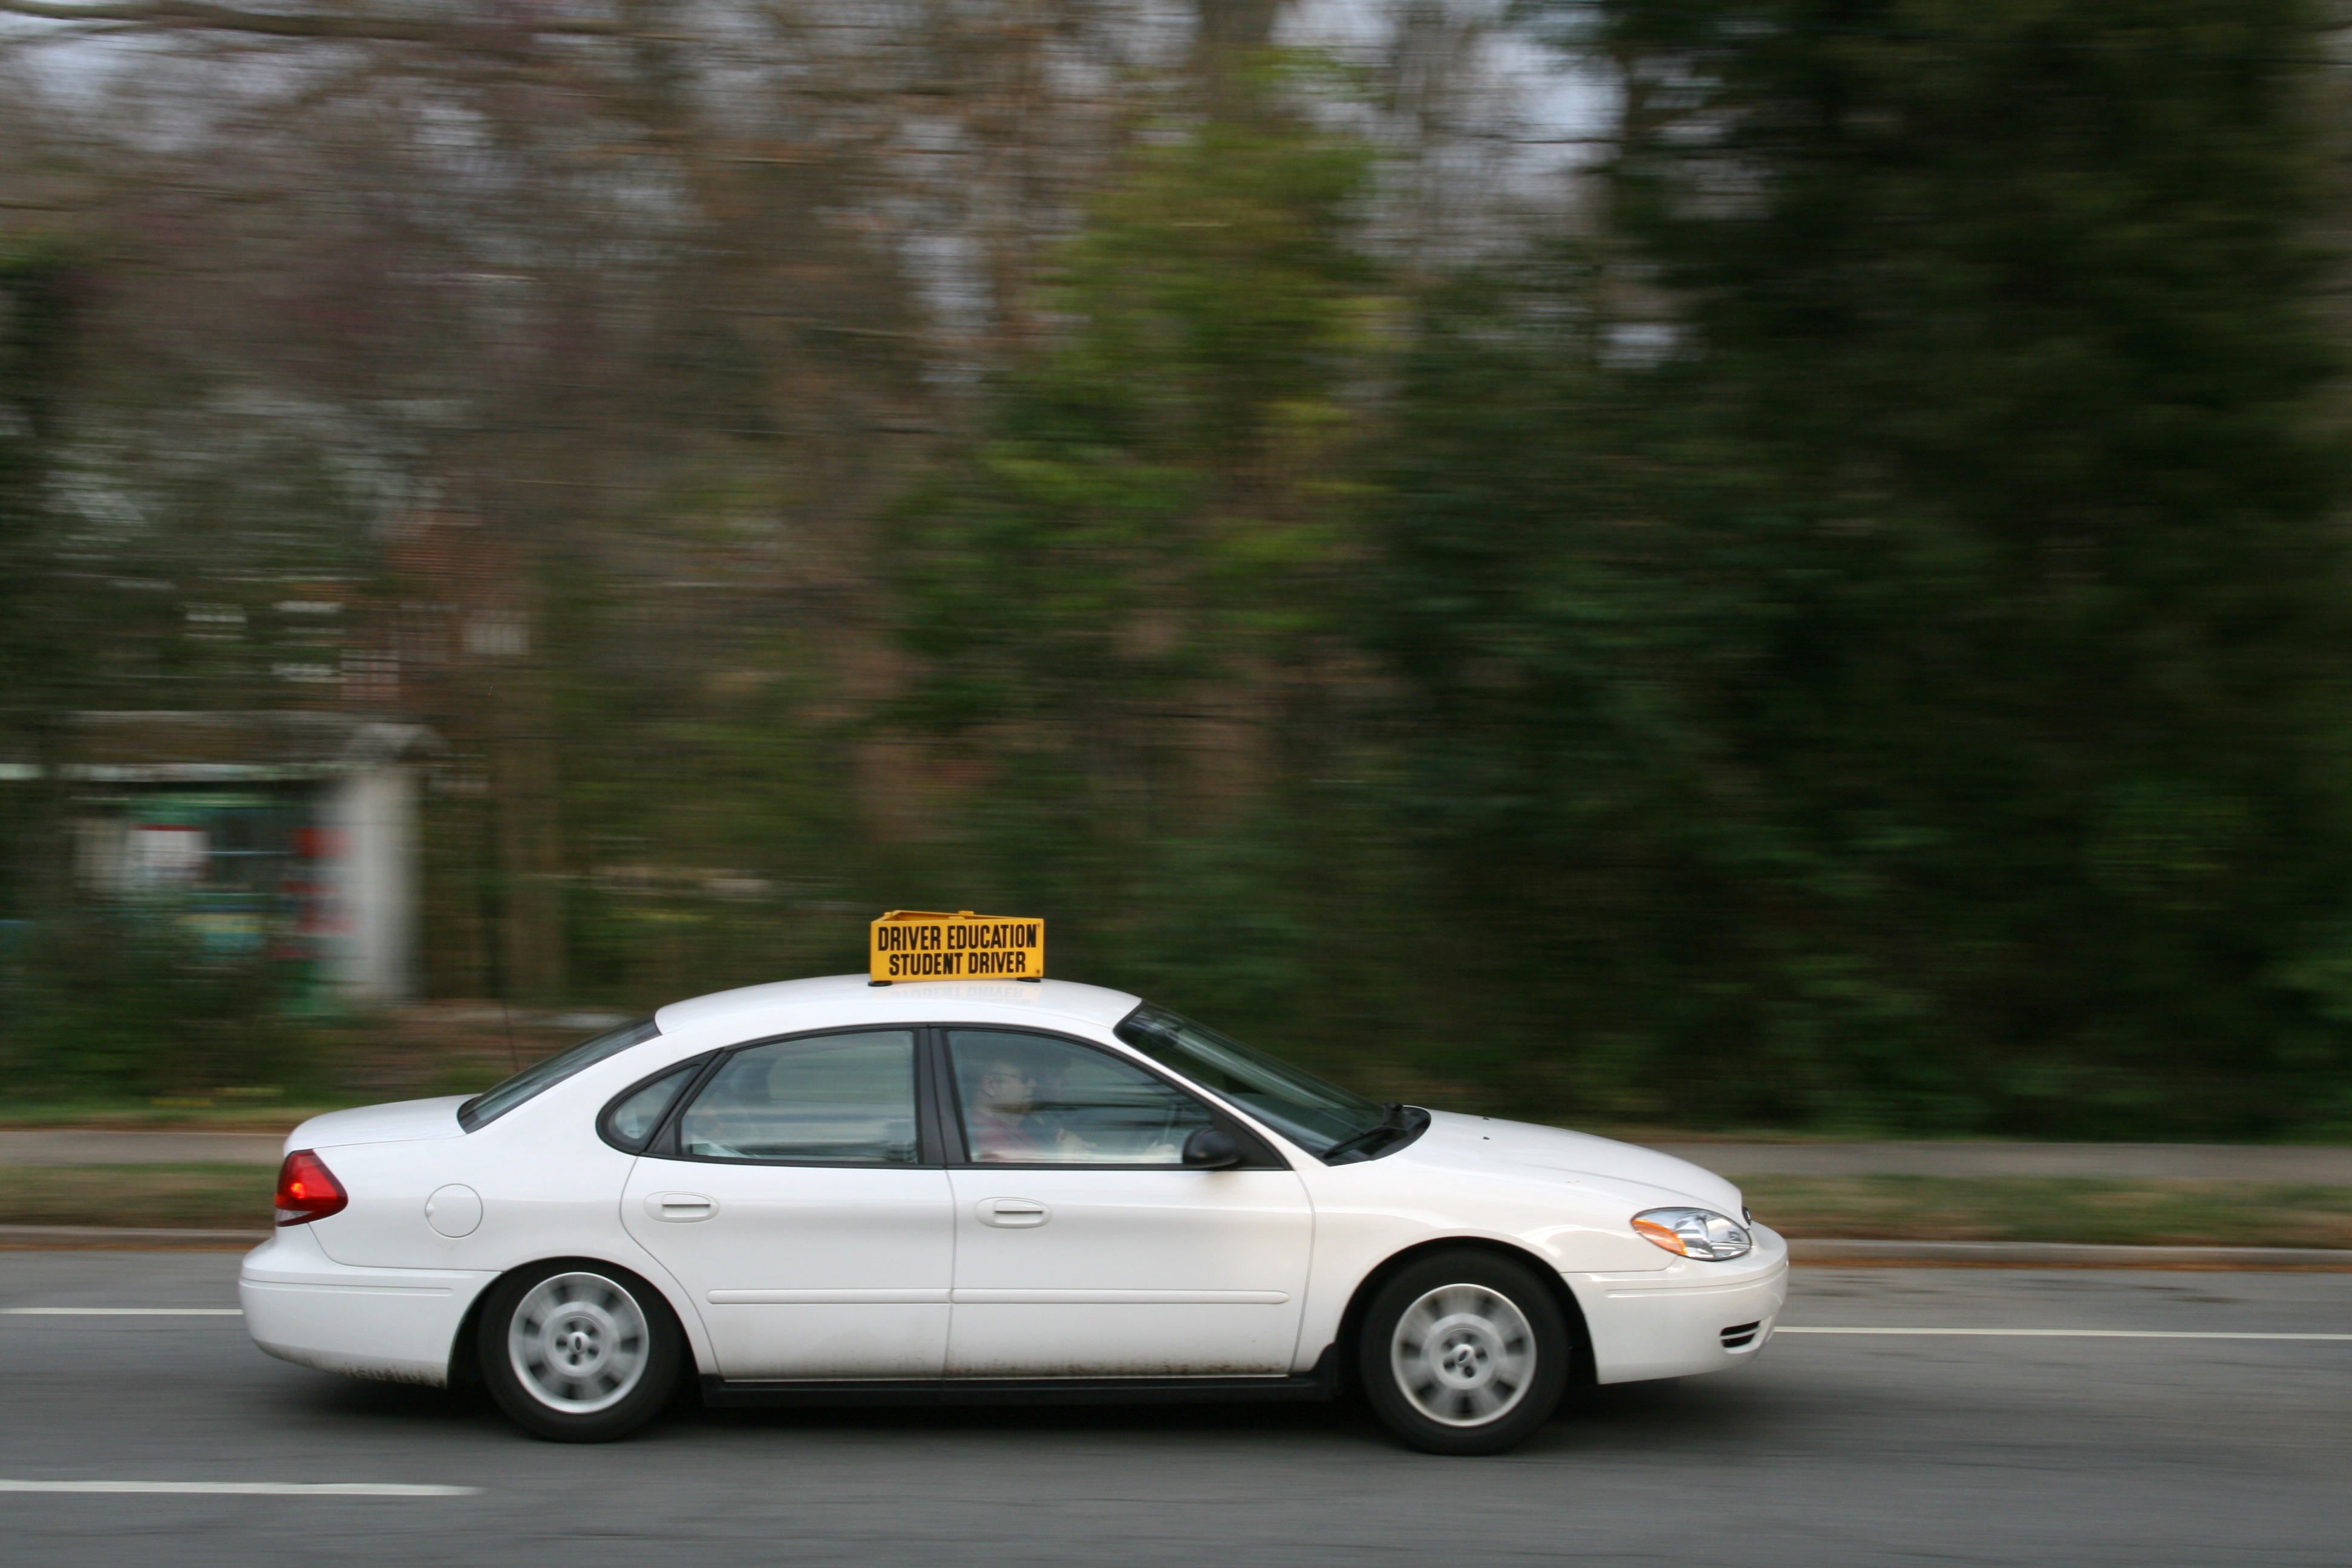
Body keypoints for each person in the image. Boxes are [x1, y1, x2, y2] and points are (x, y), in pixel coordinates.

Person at [965, 1058, 1096, 1161]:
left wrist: (1067, 1148)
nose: (1033, 1084)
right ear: (990, 1085)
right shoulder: (985, 1137)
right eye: (1024, 1078)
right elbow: (1023, 1188)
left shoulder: (1010, 1128)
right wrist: (1065, 1158)